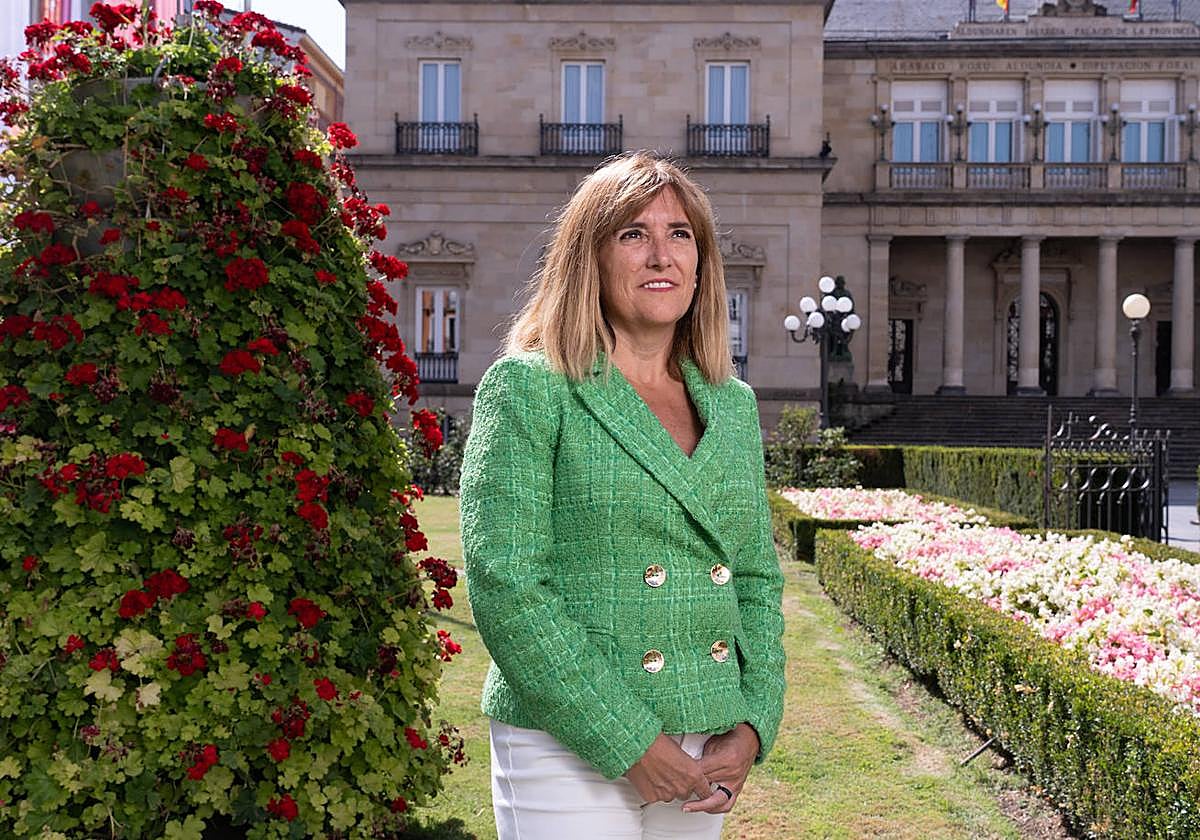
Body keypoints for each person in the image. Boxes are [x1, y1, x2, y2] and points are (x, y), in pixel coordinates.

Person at [459, 151, 786, 839]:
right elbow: (507, 585)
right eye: (633, 234)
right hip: (566, 737)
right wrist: (630, 742)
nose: (659, 255)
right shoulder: (529, 387)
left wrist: (755, 722)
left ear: (701, 265)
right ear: (591, 257)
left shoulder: (731, 405)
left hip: (706, 734)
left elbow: (756, 578)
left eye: (680, 234)